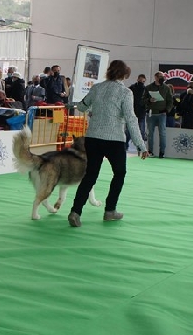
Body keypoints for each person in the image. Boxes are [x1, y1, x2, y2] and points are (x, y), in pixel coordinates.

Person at [68, 60, 148, 228]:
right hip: (114, 139)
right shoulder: (125, 92)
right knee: (119, 173)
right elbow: (131, 119)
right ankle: (110, 210)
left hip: (93, 138)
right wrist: (141, 145)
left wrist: (93, 111)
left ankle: (75, 212)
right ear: (125, 74)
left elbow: (81, 107)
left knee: (90, 175)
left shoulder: (96, 88)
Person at [143, 71, 173, 158]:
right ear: (155, 77)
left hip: (162, 113)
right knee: (150, 133)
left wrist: (167, 110)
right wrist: (149, 100)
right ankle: (150, 151)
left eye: (162, 76)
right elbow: (143, 100)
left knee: (162, 133)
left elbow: (170, 101)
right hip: (151, 113)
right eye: (160, 76)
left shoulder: (166, 88)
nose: (161, 78)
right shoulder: (148, 87)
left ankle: (162, 152)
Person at [128, 74, 147, 141]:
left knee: (137, 130)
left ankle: (126, 144)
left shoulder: (133, 88)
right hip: (135, 111)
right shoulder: (134, 88)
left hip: (138, 111)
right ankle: (127, 144)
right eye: (140, 80)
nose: (141, 82)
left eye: (142, 81)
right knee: (132, 130)